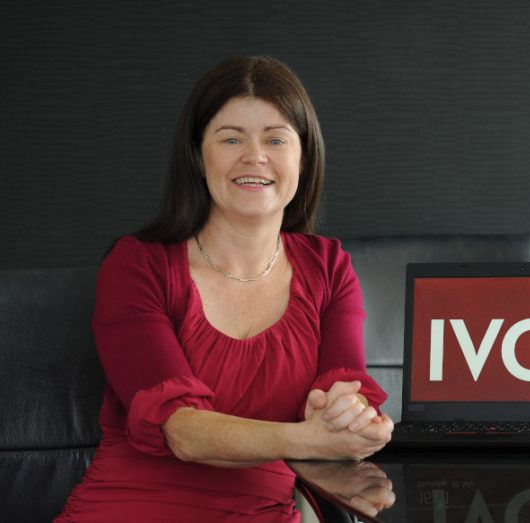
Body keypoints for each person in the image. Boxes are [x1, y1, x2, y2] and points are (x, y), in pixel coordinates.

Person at [55, 56, 394, 522]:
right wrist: (307, 437)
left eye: (276, 139)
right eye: (231, 138)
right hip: (131, 509)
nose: (255, 156)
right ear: (198, 154)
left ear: (304, 155)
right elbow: (184, 433)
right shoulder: (137, 266)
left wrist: (353, 420)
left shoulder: (329, 267)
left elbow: (345, 389)